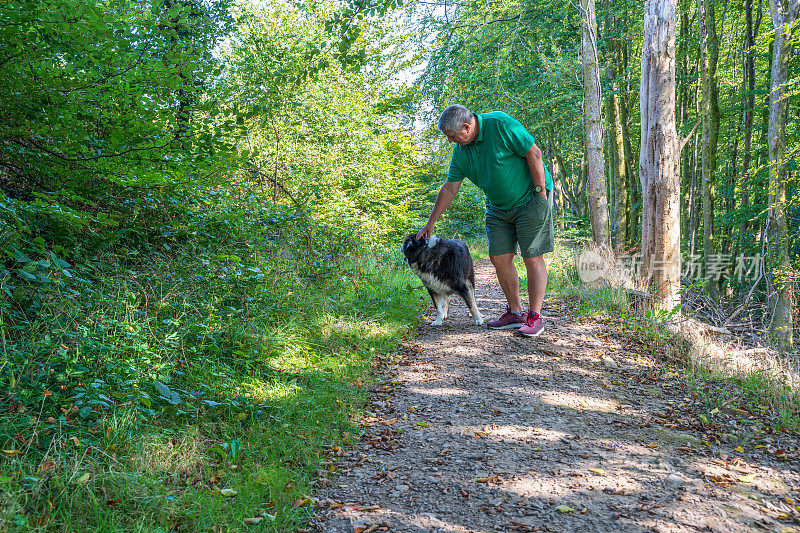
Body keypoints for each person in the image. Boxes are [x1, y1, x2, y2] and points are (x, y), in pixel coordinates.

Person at [416, 105, 554, 337]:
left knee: (532, 256)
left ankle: (534, 317)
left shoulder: (500, 124)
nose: (450, 142)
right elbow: (450, 188)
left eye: (452, 136)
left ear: (467, 127)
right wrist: (430, 222)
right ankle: (515, 313)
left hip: (530, 198)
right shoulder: (461, 152)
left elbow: (535, 153)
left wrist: (540, 192)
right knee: (499, 257)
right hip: (498, 206)